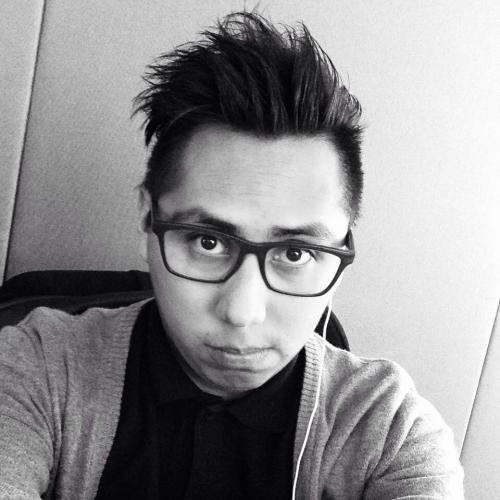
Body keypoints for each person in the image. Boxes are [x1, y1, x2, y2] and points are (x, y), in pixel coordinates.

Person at [0, 12, 463, 500]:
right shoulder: (38, 370)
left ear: (344, 249)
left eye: (296, 252)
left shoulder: (390, 433)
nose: (242, 312)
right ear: (147, 220)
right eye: (208, 242)